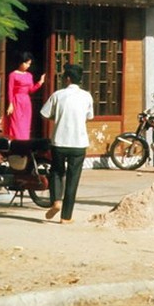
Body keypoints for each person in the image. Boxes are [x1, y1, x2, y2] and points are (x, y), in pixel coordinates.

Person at [40, 63, 94, 224]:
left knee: (56, 172)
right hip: (79, 143)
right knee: (73, 178)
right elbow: (89, 116)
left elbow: (44, 113)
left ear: (68, 79)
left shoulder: (58, 95)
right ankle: (66, 216)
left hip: (59, 141)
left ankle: (56, 201)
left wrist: (57, 118)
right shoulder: (87, 96)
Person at [5, 51, 45, 140]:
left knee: (25, 125)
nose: (28, 66)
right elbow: (10, 90)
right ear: (21, 62)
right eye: (26, 63)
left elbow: (31, 90)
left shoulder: (29, 75)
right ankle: (15, 143)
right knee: (16, 124)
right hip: (17, 101)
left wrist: (40, 82)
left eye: (29, 64)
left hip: (26, 102)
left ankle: (24, 144)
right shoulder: (13, 75)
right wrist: (10, 104)